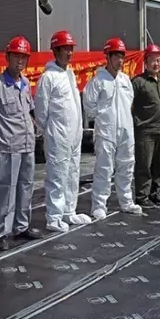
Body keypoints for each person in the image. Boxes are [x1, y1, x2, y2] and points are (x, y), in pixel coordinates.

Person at [0, 36, 43, 251]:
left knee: (26, 187)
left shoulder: (25, 83)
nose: (20, 61)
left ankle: (21, 226)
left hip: (26, 145)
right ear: (7, 57)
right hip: (7, 146)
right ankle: (1, 233)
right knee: (5, 190)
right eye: (16, 56)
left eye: (24, 57)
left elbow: (28, 111)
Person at [34, 30, 92, 232]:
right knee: (57, 175)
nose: (69, 53)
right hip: (57, 135)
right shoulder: (48, 77)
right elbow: (41, 111)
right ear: (55, 51)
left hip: (73, 135)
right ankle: (54, 217)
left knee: (72, 173)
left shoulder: (69, 74)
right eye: (65, 49)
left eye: (70, 48)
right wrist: (51, 131)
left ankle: (69, 211)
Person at [83, 38, 143, 220]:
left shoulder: (125, 80)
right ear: (107, 57)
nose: (120, 60)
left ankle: (126, 201)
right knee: (104, 168)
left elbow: (129, 102)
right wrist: (104, 118)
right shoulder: (98, 81)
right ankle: (99, 206)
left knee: (127, 165)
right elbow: (89, 106)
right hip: (106, 132)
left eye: (122, 56)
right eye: (116, 56)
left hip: (125, 131)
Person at [131, 44, 160, 209]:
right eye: (153, 60)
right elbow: (128, 103)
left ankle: (154, 193)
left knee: (157, 165)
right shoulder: (139, 82)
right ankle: (142, 196)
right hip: (145, 130)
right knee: (144, 165)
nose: (156, 64)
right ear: (145, 62)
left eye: (158, 60)